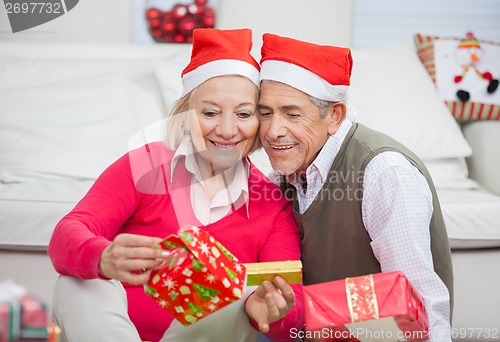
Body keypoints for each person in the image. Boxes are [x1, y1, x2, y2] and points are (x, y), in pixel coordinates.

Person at [48, 28, 303, 342]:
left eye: (243, 114)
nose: (226, 130)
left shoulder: (274, 205)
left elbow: (291, 306)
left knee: (235, 290)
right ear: (186, 115)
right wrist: (102, 257)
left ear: (260, 122)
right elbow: (66, 234)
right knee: (78, 280)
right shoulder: (144, 165)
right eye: (210, 112)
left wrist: (271, 310)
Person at [257, 33, 453, 341]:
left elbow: (420, 301)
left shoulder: (384, 172)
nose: (273, 131)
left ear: (334, 116)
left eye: (292, 114)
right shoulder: (282, 175)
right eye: (264, 113)